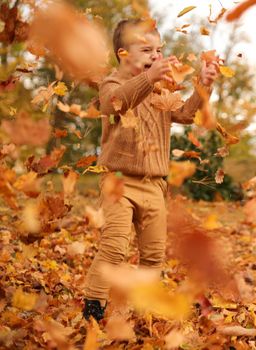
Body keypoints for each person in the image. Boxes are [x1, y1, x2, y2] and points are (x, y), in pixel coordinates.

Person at [82, 18, 219, 321]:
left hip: (155, 184)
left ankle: (142, 310)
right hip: (117, 181)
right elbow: (113, 104)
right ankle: (93, 307)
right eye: (146, 50)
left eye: (158, 50)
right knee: (115, 248)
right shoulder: (113, 84)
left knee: (154, 254)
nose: (156, 56)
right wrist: (148, 80)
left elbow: (184, 113)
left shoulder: (160, 91)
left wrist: (203, 84)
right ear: (122, 54)